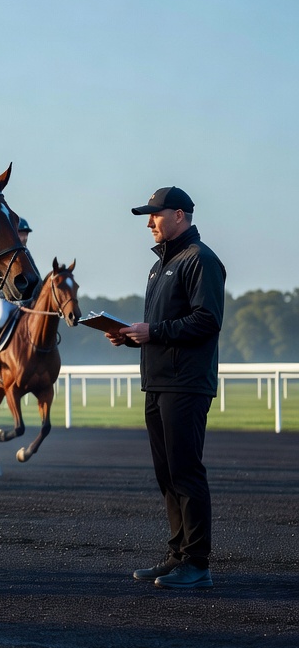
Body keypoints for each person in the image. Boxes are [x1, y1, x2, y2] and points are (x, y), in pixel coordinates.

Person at [107, 186, 226, 590]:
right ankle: (177, 555)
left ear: (179, 215)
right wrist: (129, 336)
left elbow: (207, 320)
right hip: (157, 382)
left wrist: (152, 331)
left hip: (186, 384)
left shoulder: (201, 260)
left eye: (155, 215)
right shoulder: (160, 266)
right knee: (167, 474)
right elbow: (160, 329)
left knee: (186, 471)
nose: (149, 222)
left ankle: (197, 562)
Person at [0, 216, 32, 369]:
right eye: (21, 233)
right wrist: (13, 297)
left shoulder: (26, 254)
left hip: (23, 300)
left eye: (26, 234)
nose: (24, 237)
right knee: (1, 319)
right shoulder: (3, 253)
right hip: (3, 298)